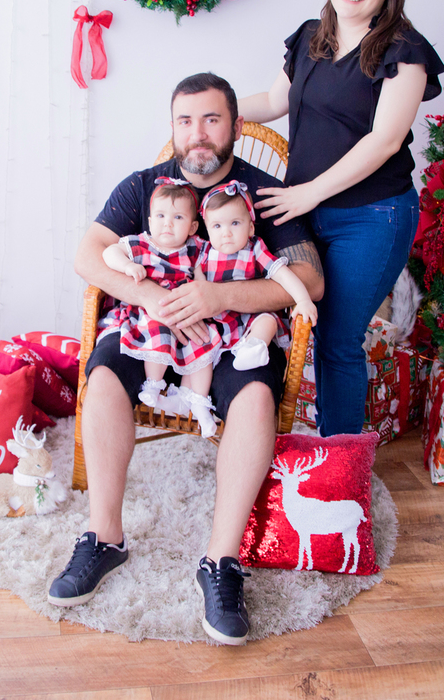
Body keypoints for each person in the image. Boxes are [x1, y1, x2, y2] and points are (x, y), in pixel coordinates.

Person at [49, 72, 324, 646]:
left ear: (236, 126)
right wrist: (153, 297)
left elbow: (309, 279)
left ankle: (220, 562)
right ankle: (104, 536)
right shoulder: (143, 187)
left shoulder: (263, 193)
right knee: (101, 376)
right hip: (151, 327)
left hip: (230, 334)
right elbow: (87, 255)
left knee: (253, 398)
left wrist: (217, 296)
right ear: (172, 127)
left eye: (211, 119)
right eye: (184, 120)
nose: (197, 134)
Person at [239, 0, 444, 437]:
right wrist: (206, 114)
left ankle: (341, 468)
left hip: (371, 217)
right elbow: (272, 102)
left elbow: (383, 141)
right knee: (295, 324)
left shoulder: (405, 51)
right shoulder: (312, 36)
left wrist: (307, 193)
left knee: (336, 340)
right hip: (305, 211)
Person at [100, 178, 223, 437]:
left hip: (185, 312)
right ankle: (153, 386)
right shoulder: (140, 244)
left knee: (205, 340)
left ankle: (199, 404)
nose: (167, 223)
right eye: (161, 215)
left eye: (178, 217)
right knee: (158, 330)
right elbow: (109, 252)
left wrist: (204, 298)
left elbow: (202, 281)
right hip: (149, 312)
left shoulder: (195, 250)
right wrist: (127, 266)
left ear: (192, 227)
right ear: (150, 220)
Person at [197, 180, 318, 372]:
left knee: (267, 320)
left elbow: (283, 275)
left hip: (252, 314)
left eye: (235, 223)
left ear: (251, 228)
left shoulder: (255, 249)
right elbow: (197, 283)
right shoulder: (203, 252)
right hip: (217, 320)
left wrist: (302, 300)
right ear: (207, 229)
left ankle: (254, 348)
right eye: (217, 226)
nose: (226, 233)